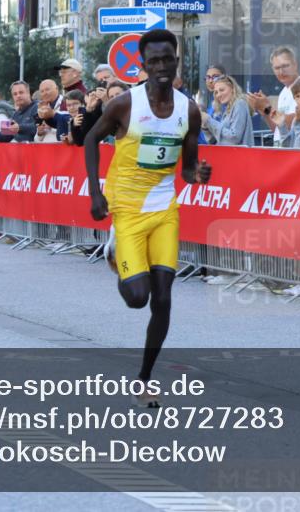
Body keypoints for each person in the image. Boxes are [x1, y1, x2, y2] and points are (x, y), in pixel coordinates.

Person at [84, 28, 211, 408]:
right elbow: (91, 140)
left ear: (176, 61)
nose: (160, 67)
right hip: (125, 209)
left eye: (166, 59)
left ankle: (143, 378)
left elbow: (186, 169)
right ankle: (115, 252)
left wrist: (197, 174)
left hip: (164, 210)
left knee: (164, 299)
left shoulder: (188, 110)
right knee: (137, 298)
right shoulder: (125, 104)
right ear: (143, 65)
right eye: (152, 61)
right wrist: (95, 193)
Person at [250, 47, 300, 145]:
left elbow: (299, 121)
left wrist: (268, 108)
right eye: (277, 68)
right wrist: (264, 112)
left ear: (295, 65)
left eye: (285, 66)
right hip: (282, 148)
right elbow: (277, 129)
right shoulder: (283, 92)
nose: (281, 71)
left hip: (297, 151)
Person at [201, 76, 253, 146]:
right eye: (216, 92)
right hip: (229, 155)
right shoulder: (227, 110)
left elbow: (235, 138)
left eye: (222, 90)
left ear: (232, 88)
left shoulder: (240, 104)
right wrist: (206, 128)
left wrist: (209, 120)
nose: (218, 95)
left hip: (240, 155)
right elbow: (215, 142)